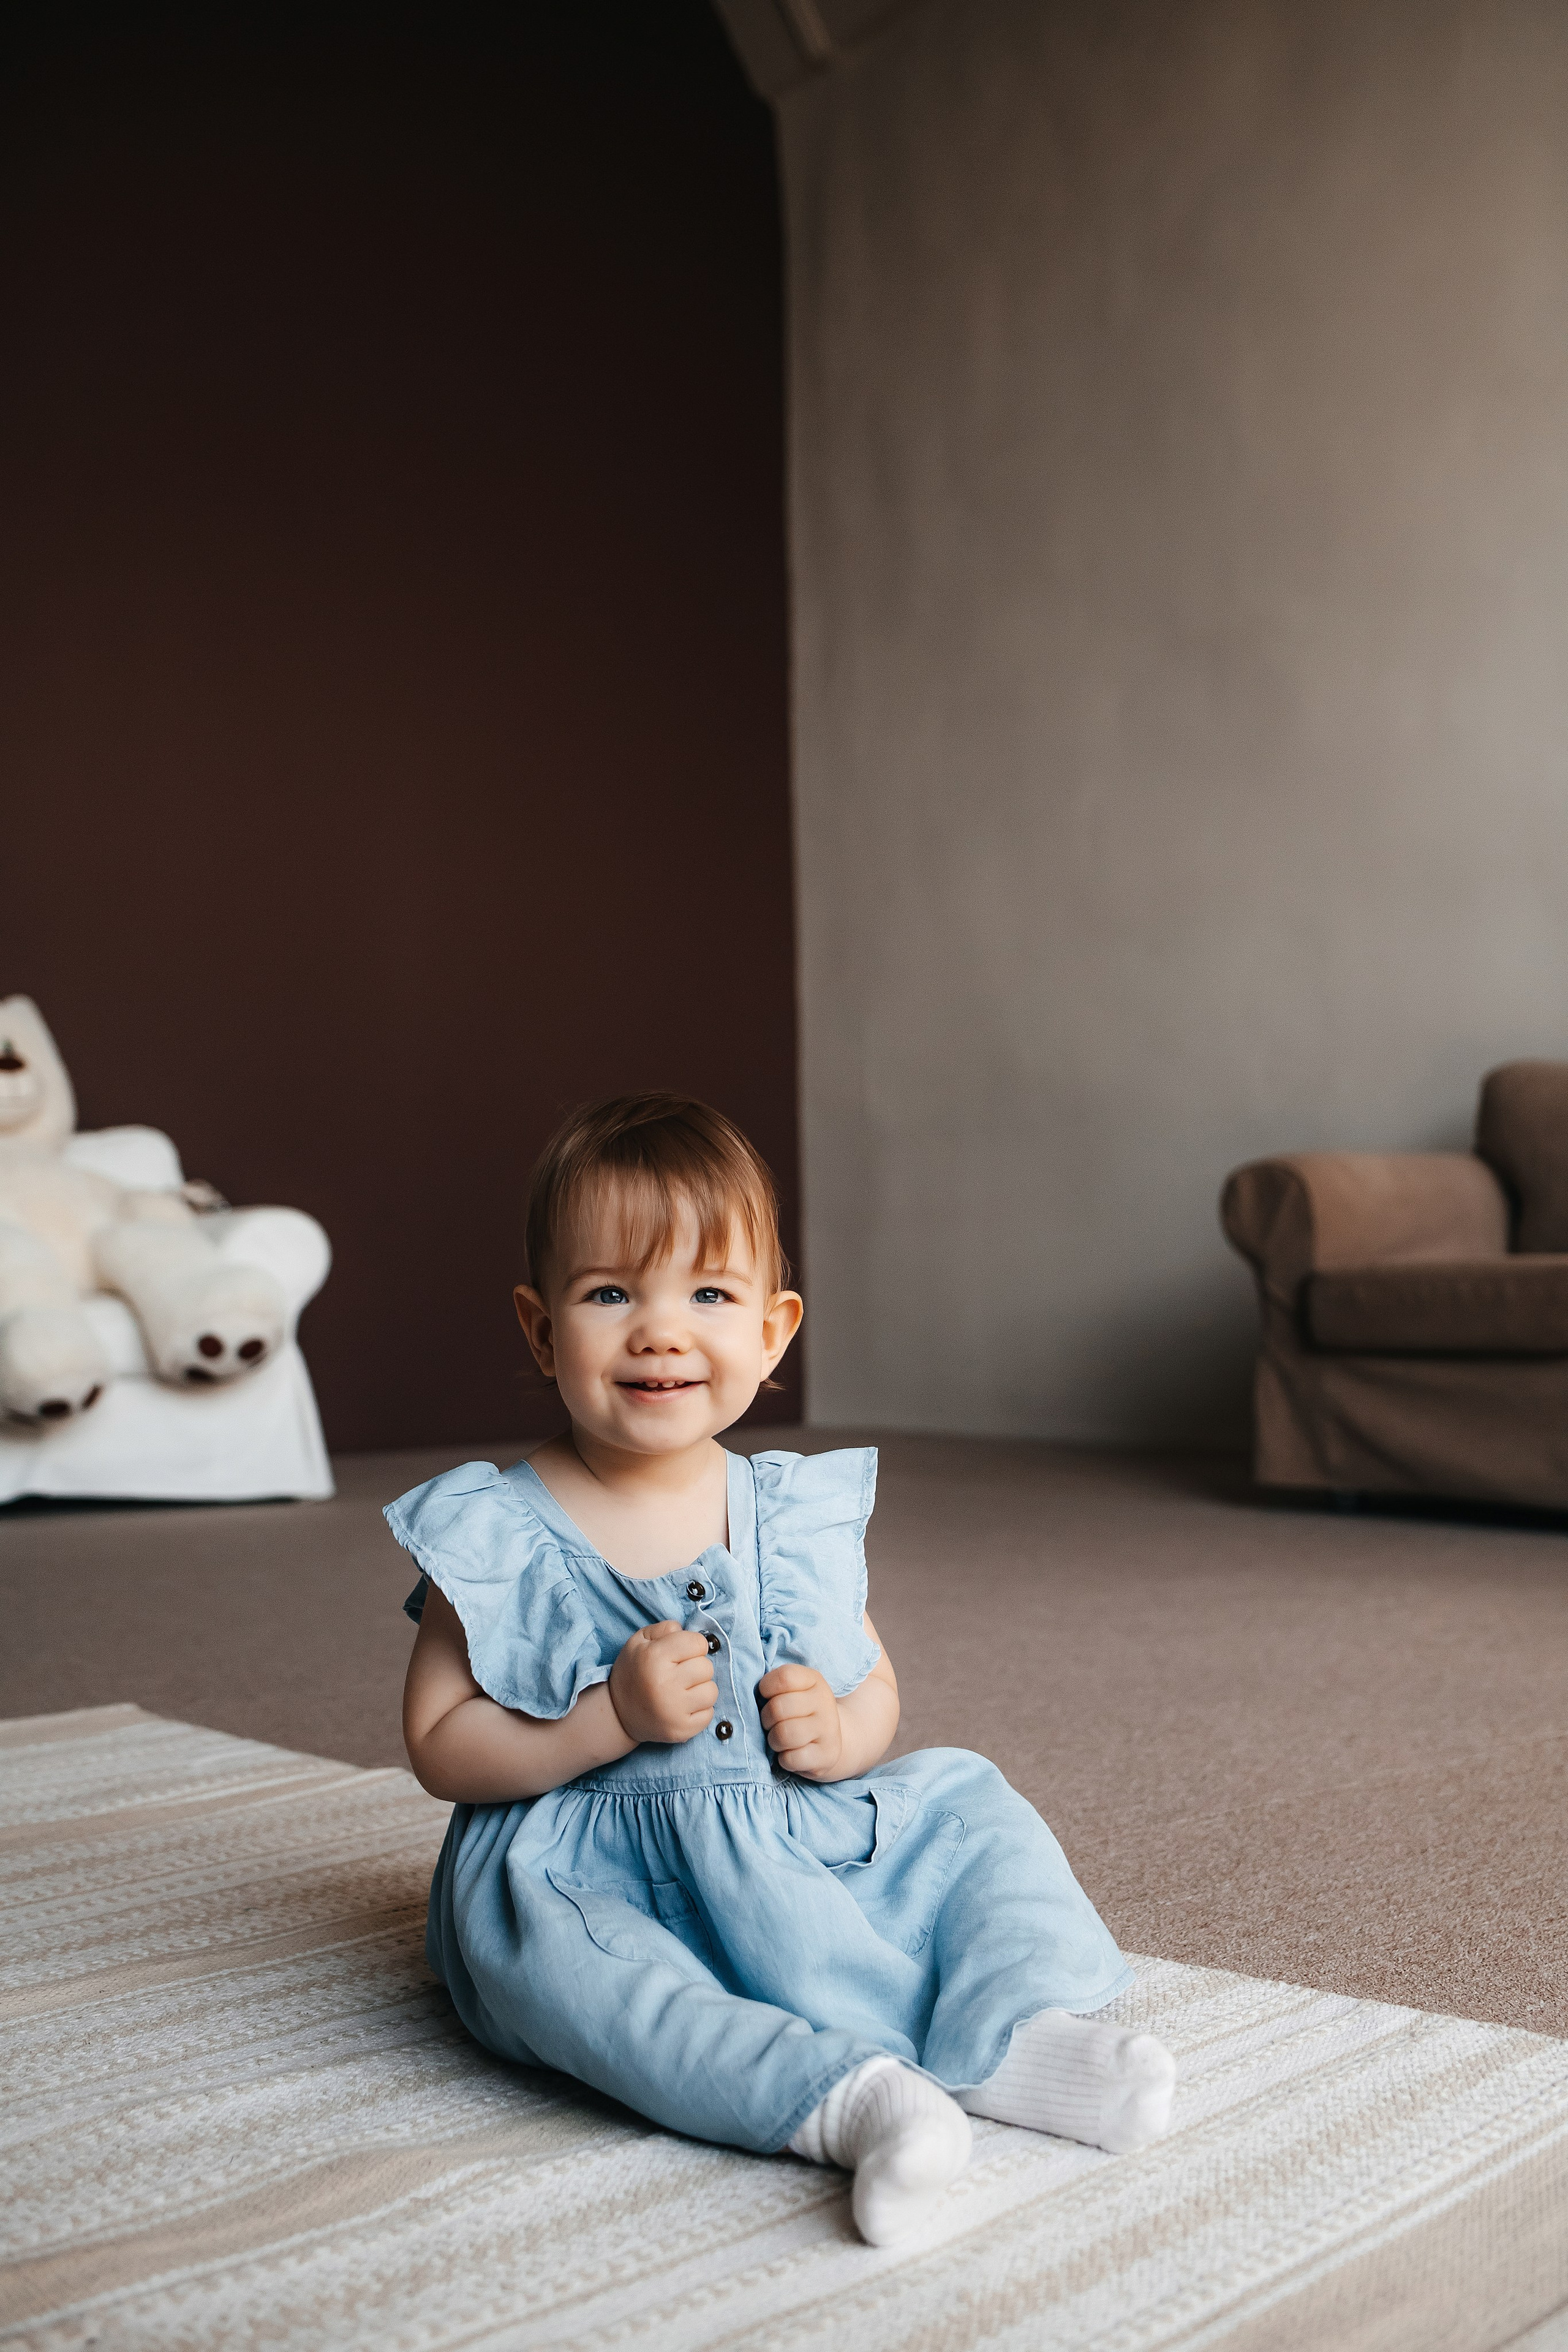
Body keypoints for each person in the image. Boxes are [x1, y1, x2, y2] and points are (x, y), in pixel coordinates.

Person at [390, 1093, 1174, 2245]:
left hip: (778, 1832)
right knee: (593, 1990)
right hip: (587, 1868)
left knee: (968, 1812)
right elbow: (438, 1742)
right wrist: (600, 1721)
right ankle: (842, 2101)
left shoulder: (784, 1515)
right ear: (539, 1328)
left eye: (709, 1294)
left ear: (773, 1330)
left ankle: (1014, 2042)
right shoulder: (502, 1533)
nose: (661, 1331)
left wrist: (840, 1733)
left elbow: (875, 1683)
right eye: (611, 1292)